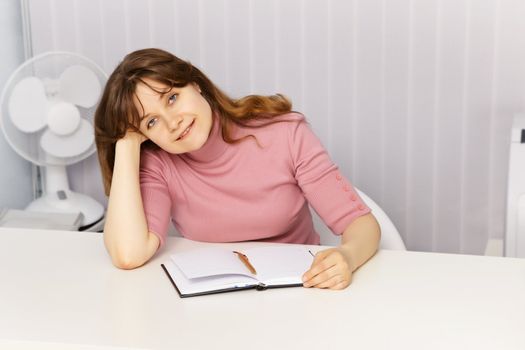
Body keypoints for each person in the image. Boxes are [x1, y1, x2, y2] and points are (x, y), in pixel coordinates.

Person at [94, 48, 380, 290]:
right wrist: (127, 143)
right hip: (215, 302)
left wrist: (347, 256)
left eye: (172, 98)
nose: (172, 123)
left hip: (300, 288)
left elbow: (361, 224)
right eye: (151, 122)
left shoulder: (284, 133)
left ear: (195, 84)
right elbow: (128, 254)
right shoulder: (159, 163)